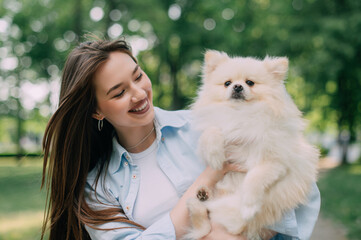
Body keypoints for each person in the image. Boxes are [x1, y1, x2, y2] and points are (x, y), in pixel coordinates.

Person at [41, 38, 320, 240]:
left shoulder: (207, 125)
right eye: (118, 92)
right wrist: (211, 176)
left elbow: (296, 185)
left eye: (138, 76)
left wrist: (246, 230)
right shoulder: (98, 187)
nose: (138, 93)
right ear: (96, 110)